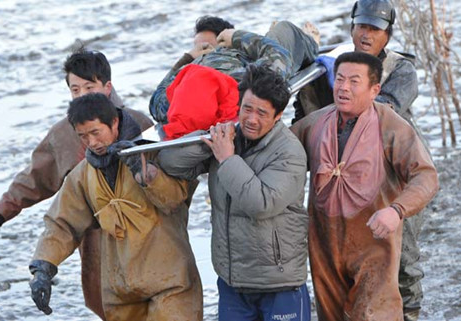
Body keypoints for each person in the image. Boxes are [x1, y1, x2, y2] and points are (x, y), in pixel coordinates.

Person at [0, 48, 154, 319]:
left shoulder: (142, 124)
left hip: (147, 236)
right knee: (106, 305)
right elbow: (35, 177)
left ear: (107, 87)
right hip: (95, 239)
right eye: (75, 89)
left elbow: (175, 179)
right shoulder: (63, 134)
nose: (83, 95)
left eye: (90, 86)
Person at [295, 2, 427, 319]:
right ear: (352, 27)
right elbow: (303, 120)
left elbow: (384, 108)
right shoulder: (328, 67)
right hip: (343, 183)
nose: (366, 34)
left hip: (392, 178)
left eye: (375, 29)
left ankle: (408, 315)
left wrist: (342, 85)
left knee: (403, 259)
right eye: (362, 26)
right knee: (338, 262)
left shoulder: (400, 69)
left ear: (388, 34)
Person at [28, 93, 202, 320]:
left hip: (171, 284)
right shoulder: (82, 176)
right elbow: (62, 224)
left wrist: (149, 176)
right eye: (83, 136)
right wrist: (43, 268)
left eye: (95, 133)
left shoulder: (154, 152)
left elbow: (177, 199)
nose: (91, 143)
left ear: (114, 123)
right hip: (120, 293)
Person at [159, 65, 310, 321]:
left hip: (279, 283)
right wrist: (207, 140)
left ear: (278, 116)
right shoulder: (228, 138)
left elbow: (261, 204)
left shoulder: (290, 153)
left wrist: (227, 158)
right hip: (232, 281)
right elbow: (171, 163)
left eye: (262, 113)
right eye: (247, 109)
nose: (251, 119)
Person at [149, 16, 299, 124]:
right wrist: (188, 59)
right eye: (197, 47)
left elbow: (157, 104)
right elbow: (280, 59)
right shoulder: (184, 85)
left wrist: (187, 60)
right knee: (281, 32)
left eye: (209, 46)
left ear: (227, 46)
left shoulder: (238, 77)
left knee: (281, 31)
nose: (203, 51)